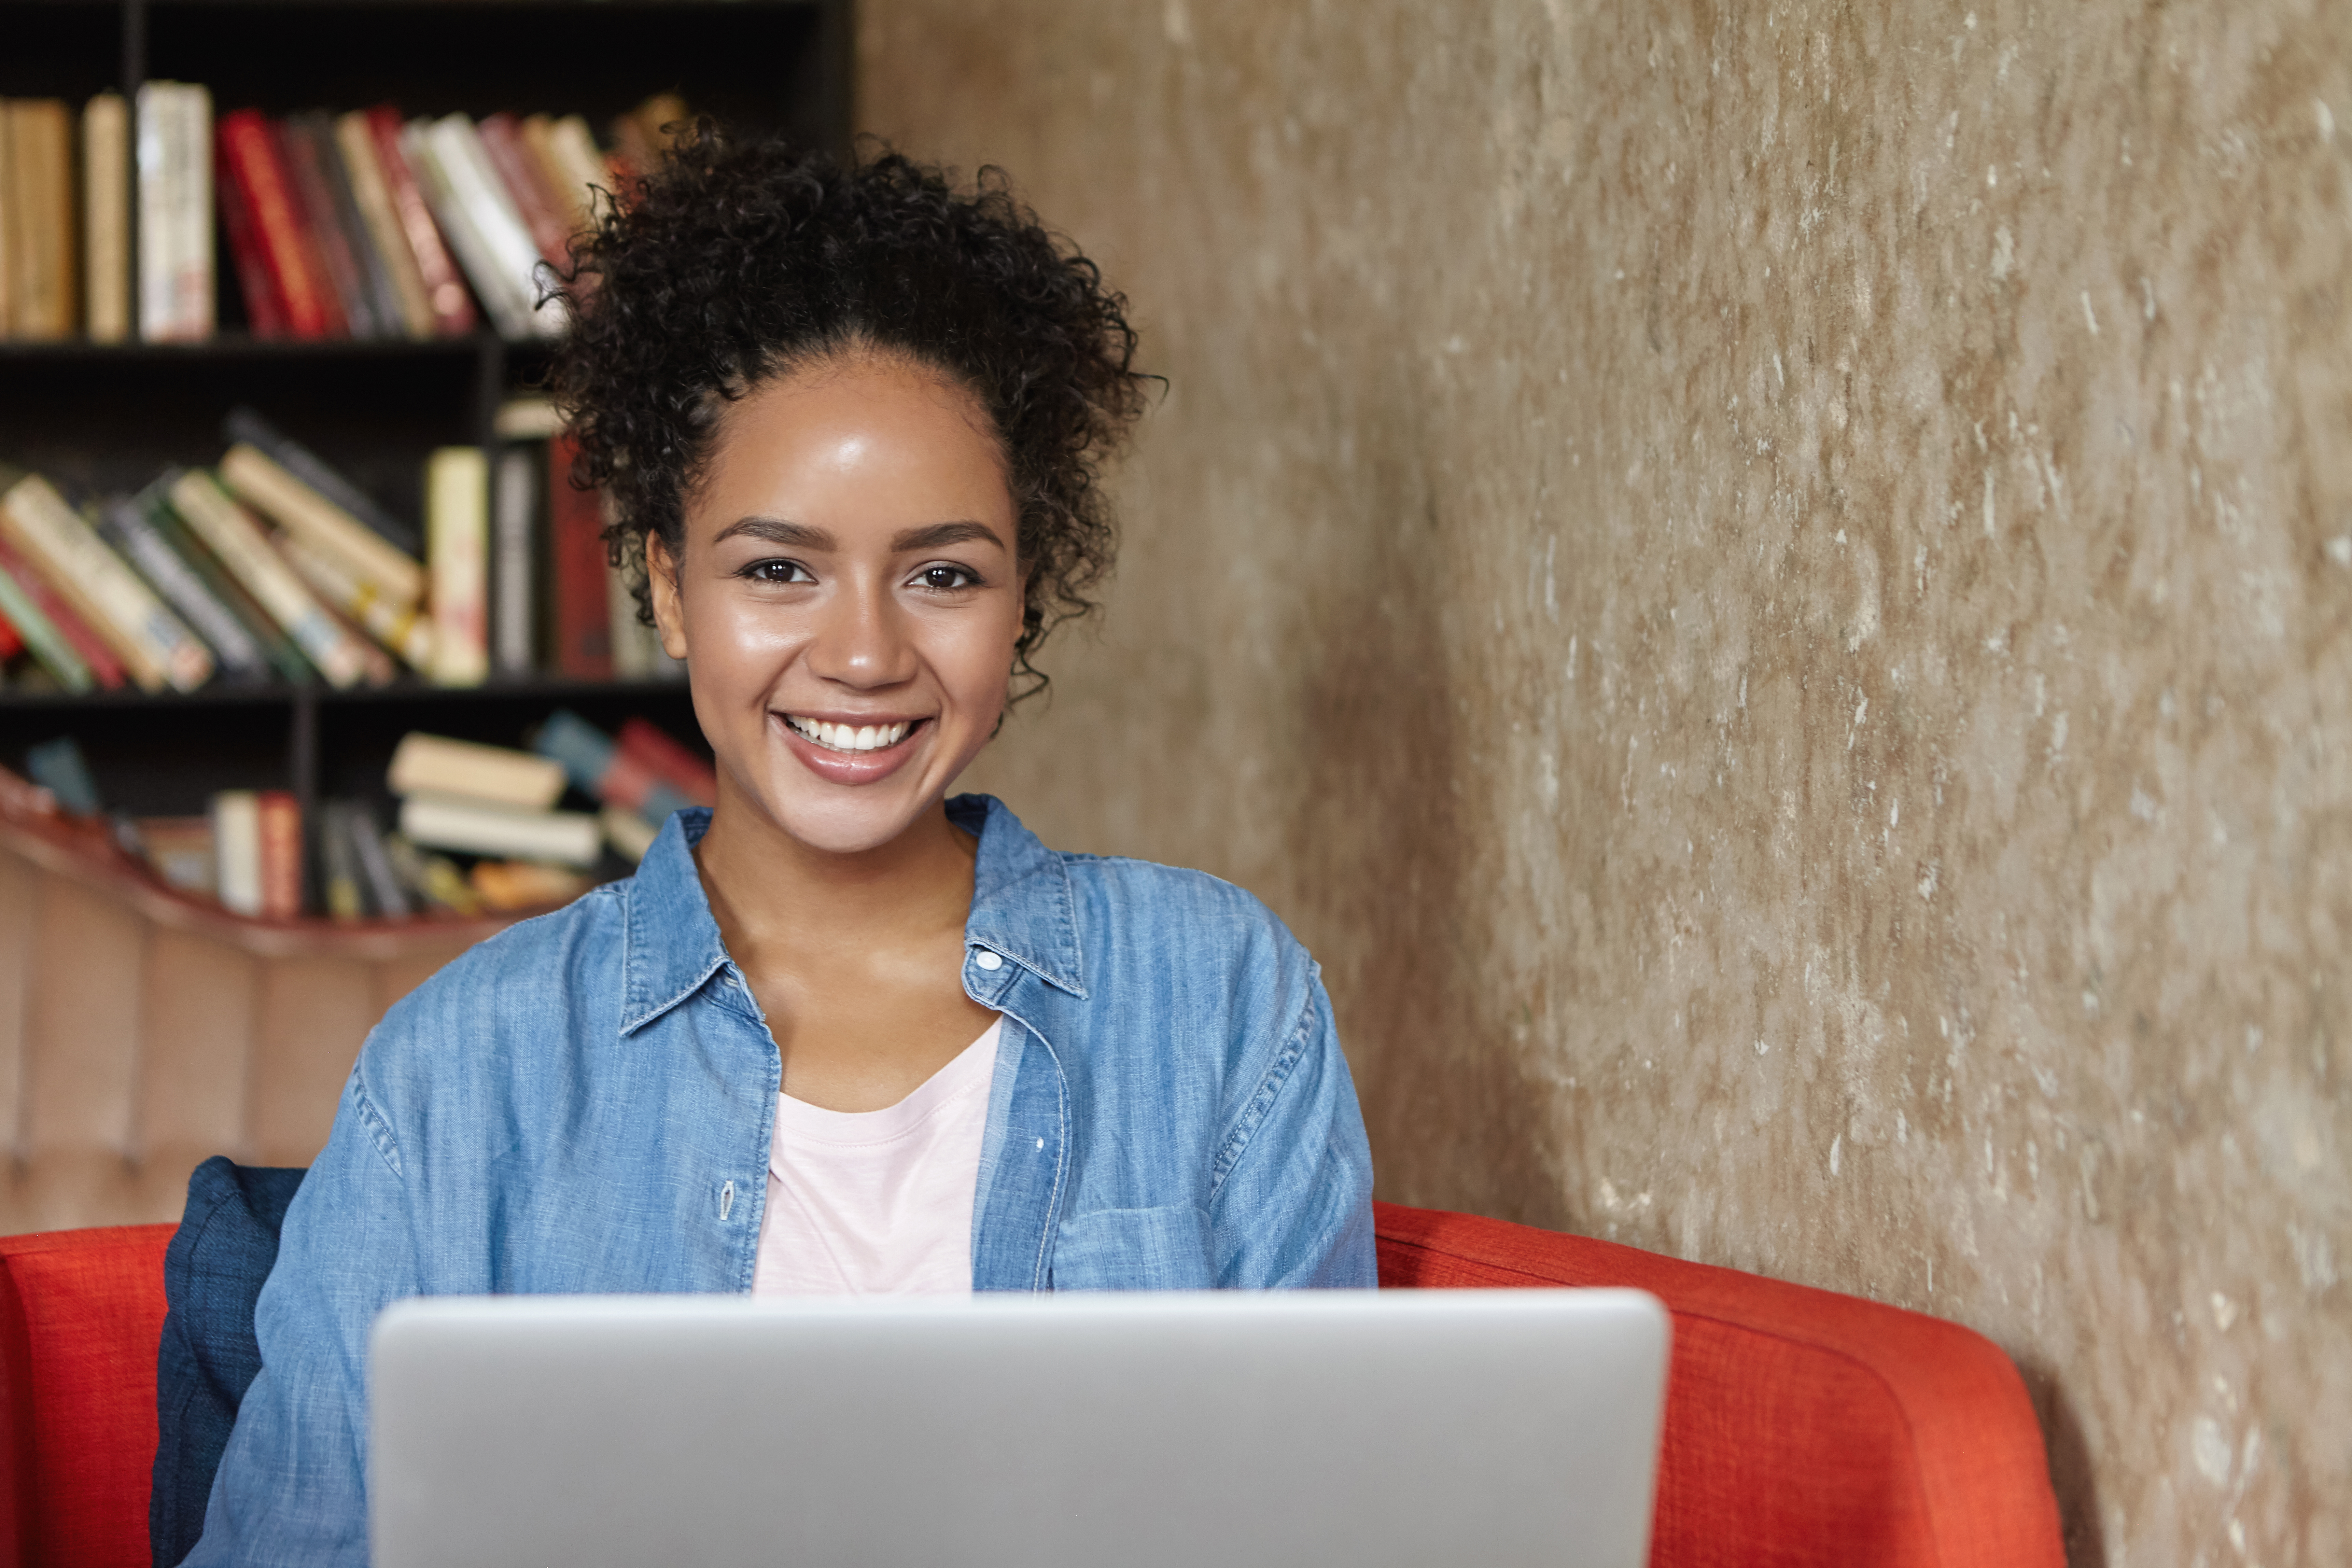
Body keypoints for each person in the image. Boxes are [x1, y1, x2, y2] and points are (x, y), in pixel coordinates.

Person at [186, 131, 1374, 1564]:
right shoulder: (459, 1076)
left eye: (941, 573)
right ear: (667, 588)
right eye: (777, 570)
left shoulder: (1225, 1001)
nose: (865, 652)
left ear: (1021, 601)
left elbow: (1334, 1524)